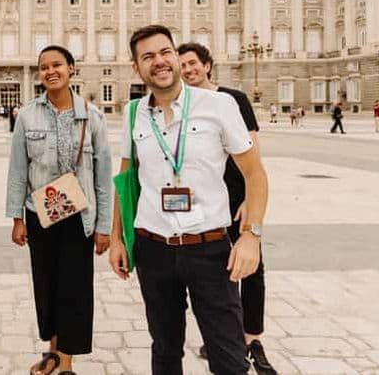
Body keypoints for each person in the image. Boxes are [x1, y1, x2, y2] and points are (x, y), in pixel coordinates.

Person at [109, 25, 268, 375]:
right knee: (164, 352)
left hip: (209, 248)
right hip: (154, 249)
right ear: (136, 67)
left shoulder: (219, 105)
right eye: (148, 56)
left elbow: (255, 174)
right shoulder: (133, 112)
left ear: (176, 57)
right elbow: (125, 179)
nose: (159, 62)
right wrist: (118, 238)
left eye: (165, 52)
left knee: (228, 358)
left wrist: (251, 236)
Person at [6, 45, 113, 375]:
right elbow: (17, 171)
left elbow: (103, 176)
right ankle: (53, 351)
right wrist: (16, 218)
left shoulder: (92, 116)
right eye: (44, 67)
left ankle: (65, 362)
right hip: (40, 214)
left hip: (79, 217)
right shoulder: (26, 116)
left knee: (75, 290)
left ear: (71, 69)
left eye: (57, 65)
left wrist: (105, 226)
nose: (50, 71)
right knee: (47, 286)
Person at [178, 42, 278, 374]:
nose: (188, 70)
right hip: (206, 199)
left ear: (207, 65)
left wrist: (252, 201)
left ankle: (253, 340)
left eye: (193, 64)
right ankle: (225, 337)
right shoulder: (184, 103)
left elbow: (254, 151)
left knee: (252, 267)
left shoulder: (234, 98)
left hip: (238, 197)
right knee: (218, 269)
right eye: (183, 66)